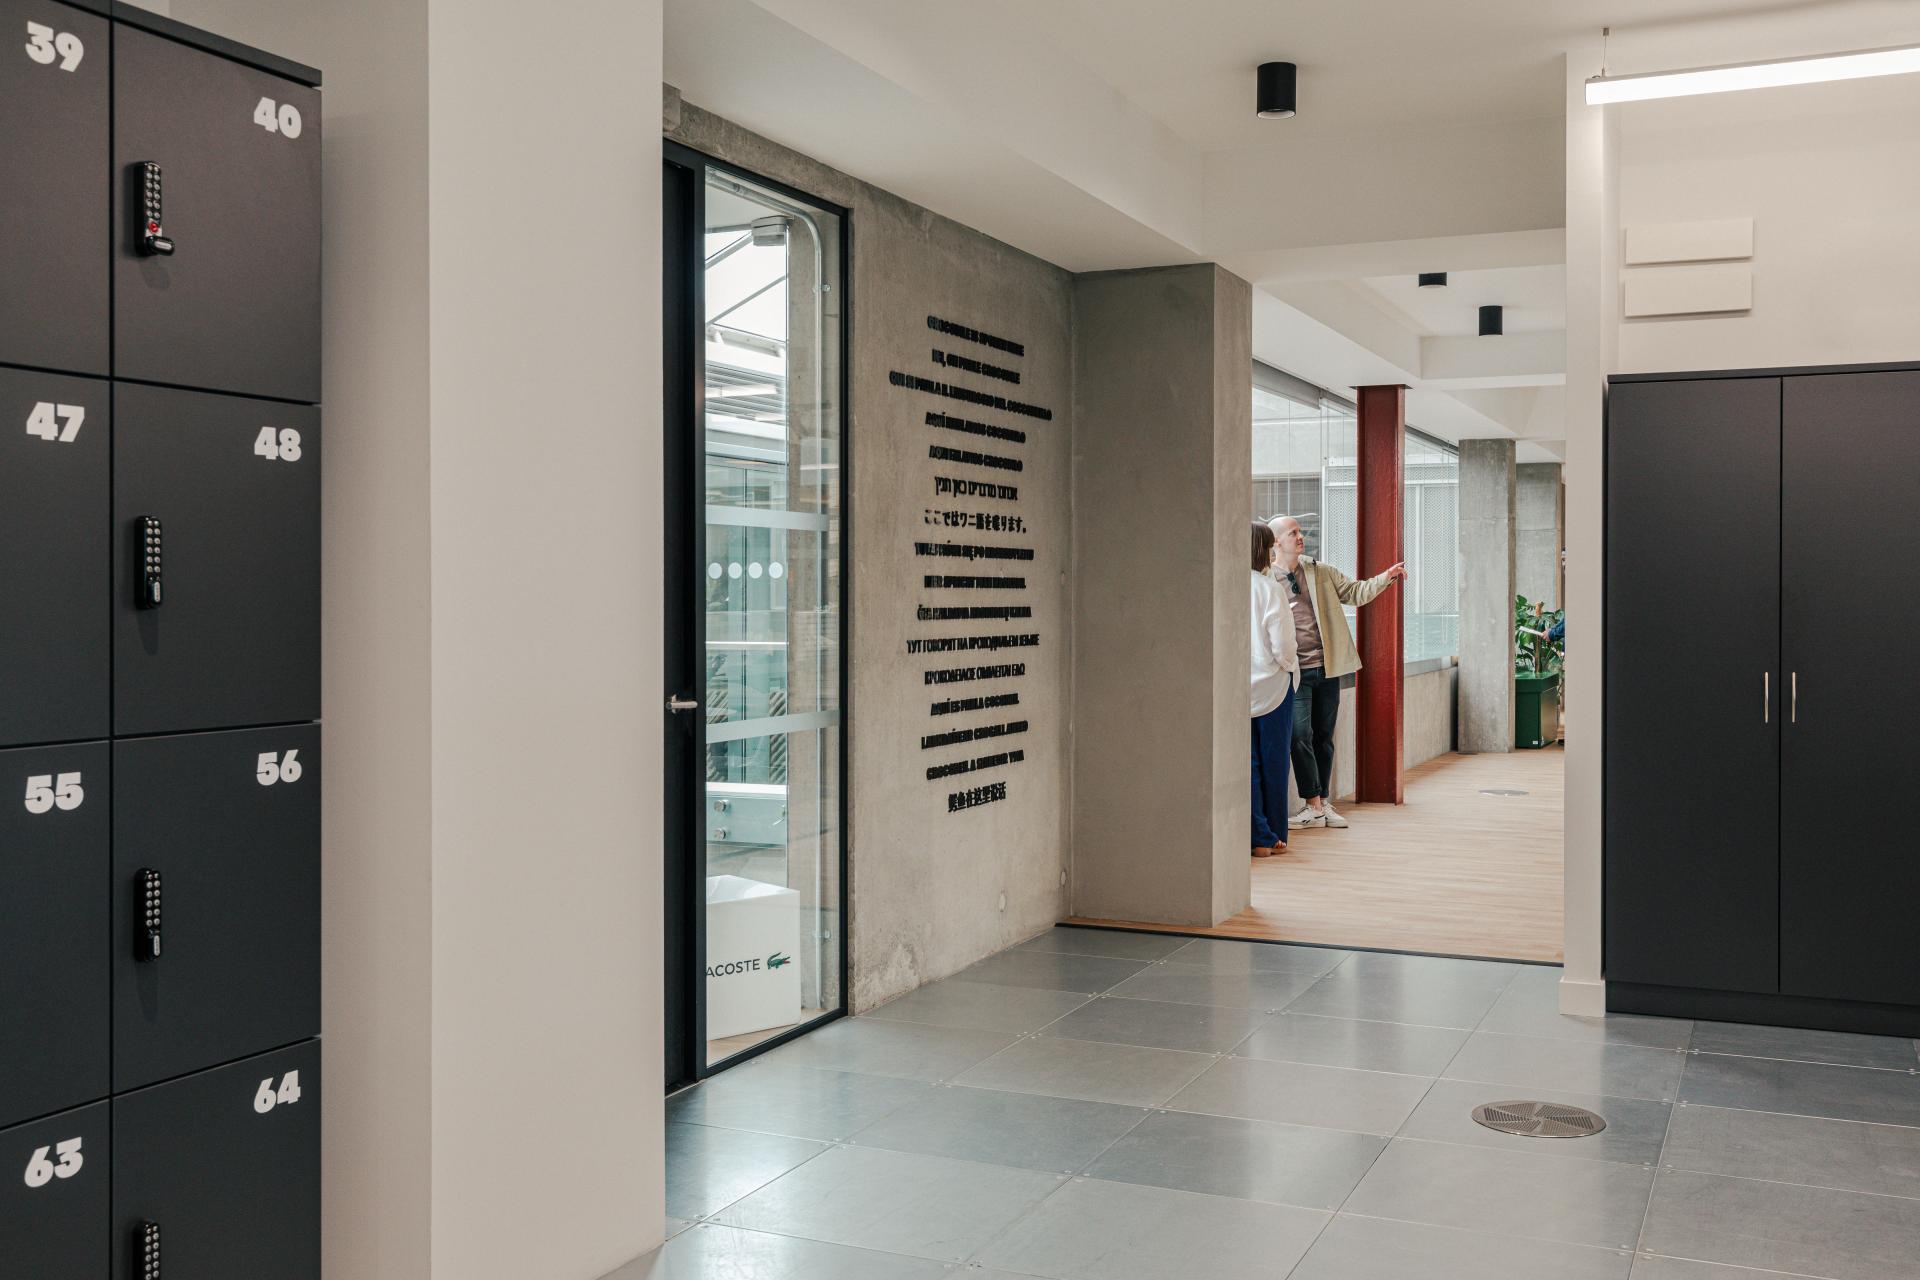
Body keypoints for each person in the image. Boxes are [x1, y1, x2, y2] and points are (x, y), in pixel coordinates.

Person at [1267, 515, 1405, 830]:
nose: (1300, 537)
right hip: (1293, 673)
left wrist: (1386, 577)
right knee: (1299, 736)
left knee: (1323, 737)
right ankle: (1313, 803)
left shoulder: (1320, 572)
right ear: (1276, 542)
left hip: (1327, 668)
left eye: (1300, 532)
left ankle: (1321, 804)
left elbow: (1356, 593)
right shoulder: (1265, 580)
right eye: (1293, 533)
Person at [1249, 522, 1298, 858]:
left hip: (1235, 692)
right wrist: (1288, 665)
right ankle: (1274, 835)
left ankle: (1257, 836)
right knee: (1274, 762)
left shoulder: (1220, 586)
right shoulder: (1269, 588)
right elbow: (1283, 646)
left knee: (1245, 765)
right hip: (1273, 690)